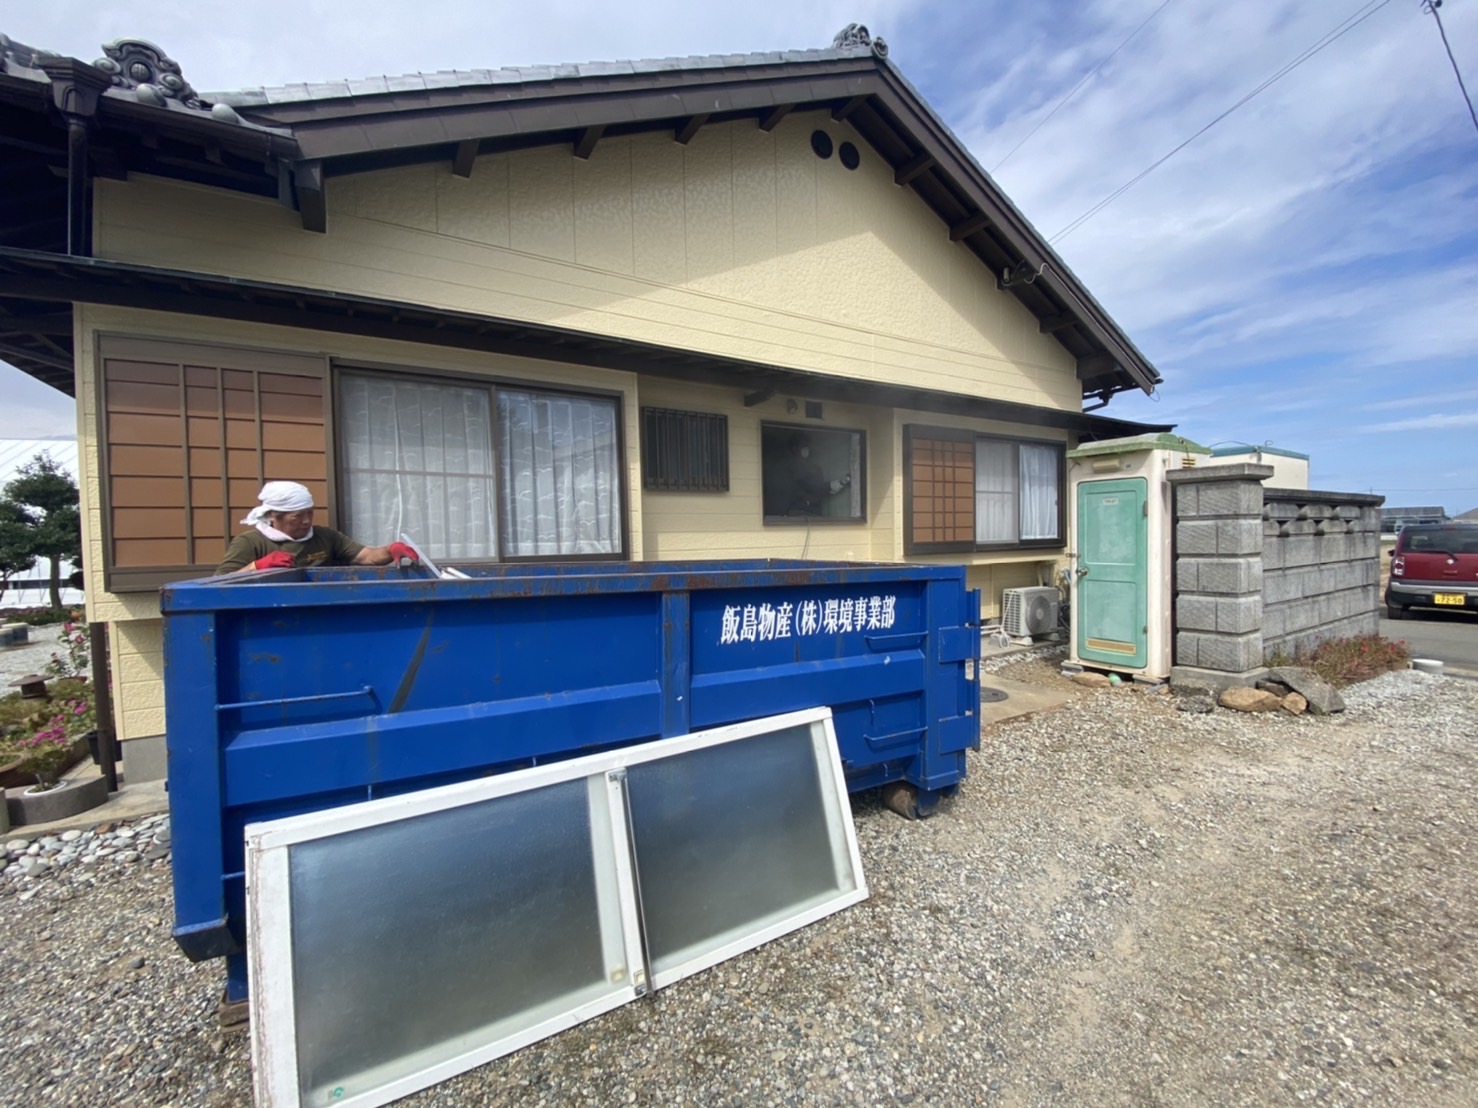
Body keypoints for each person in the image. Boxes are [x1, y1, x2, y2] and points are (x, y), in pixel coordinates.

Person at [215, 481, 419, 574]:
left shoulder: (325, 537)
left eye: (310, 513)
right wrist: (256, 567)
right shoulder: (251, 542)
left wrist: (390, 549)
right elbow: (219, 583)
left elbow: (367, 556)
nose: (306, 521)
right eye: (298, 516)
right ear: (272, 515)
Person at [772, 432, 851, 516]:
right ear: (794, 448)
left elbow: (821, 490)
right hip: (798, 512)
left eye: (807, 445)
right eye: (802, 445)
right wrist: (836, 484)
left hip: (814, 512)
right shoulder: (791, 467)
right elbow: (812, 486)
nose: (806, 448)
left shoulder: (815, 468)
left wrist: (841, 484)